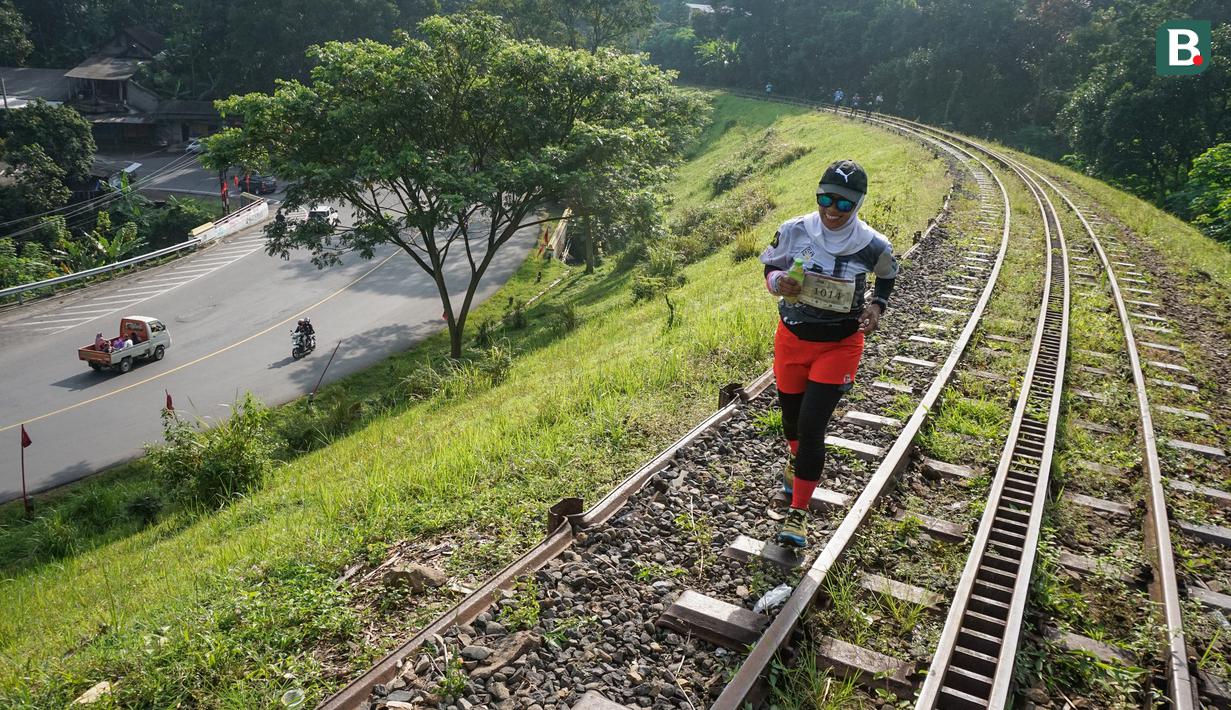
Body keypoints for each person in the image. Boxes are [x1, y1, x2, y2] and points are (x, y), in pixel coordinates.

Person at [760, 159, 898, 548]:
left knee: (811, 426)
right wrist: (777, 282)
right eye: (826, 198)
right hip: (792, 337)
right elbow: (769, 266)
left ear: (858, 205)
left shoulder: (873, 245)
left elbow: (888, 275)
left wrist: (877, 306)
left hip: (840, 343)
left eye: (844, 204)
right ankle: (796, 461)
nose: (832, 210)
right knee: (791, 422)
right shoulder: (794, 230)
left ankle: (798, 514)